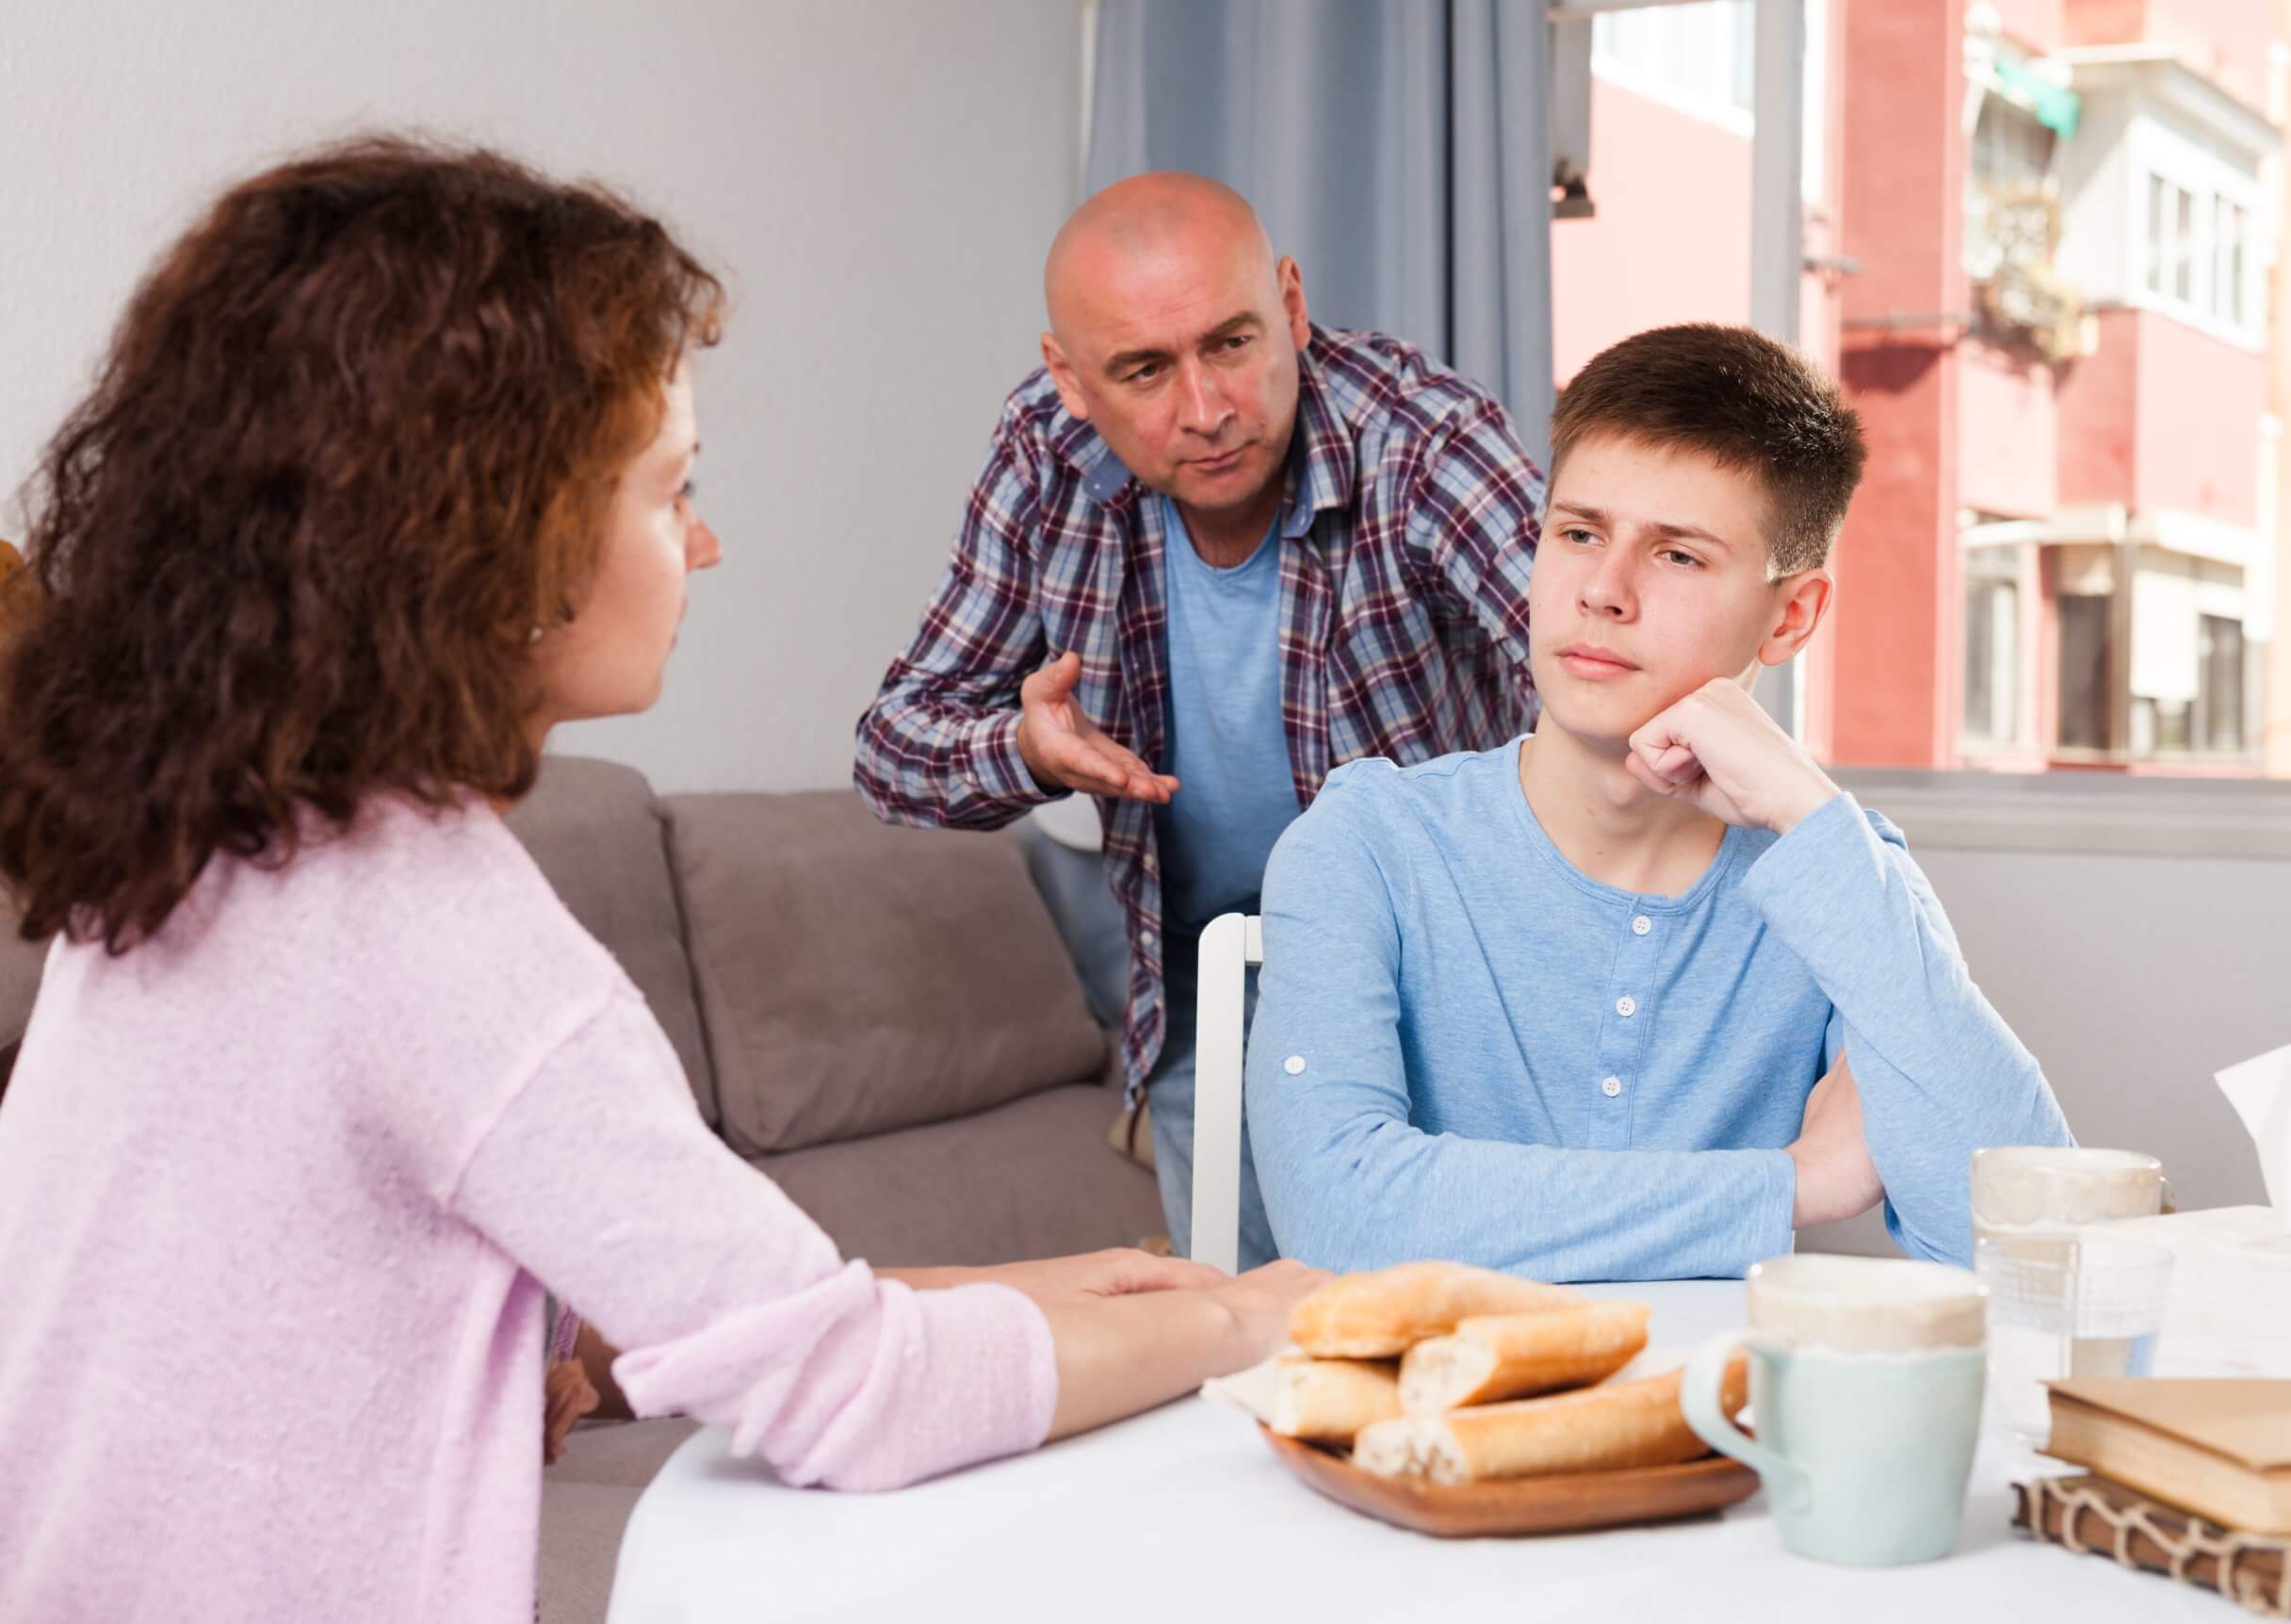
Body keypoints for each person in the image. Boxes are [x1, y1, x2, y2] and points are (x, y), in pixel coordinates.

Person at [0, 138, 1321, 1624]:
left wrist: (1087, 1292)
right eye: (665, 490)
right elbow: (851, 1392)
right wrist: (1251, 1314)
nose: (702, 541)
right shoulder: (435, 932)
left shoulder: (209, 858)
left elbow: (660, 1334)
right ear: (492, 541)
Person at [1244, 323, 2073, 1281]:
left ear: (1790, 615)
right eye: (1578, 533)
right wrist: (1791, 1184)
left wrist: (1808, 812)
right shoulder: (1366, 840)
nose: (1600, 590)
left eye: (1676, 556)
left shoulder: (1836, 871)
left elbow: (2043, 1250)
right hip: (1423, 1417)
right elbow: (1337, 1211)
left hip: (1718, 1419)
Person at [853, 172, 1545, 1267]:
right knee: (1247, 1363)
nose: (1208, 408)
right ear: (1069, 379)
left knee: (1455, 1338)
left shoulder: (1417, 436)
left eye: (1231, 342)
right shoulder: (1045, 454)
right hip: (1199, 980)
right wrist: (1025, 749)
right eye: (1143, 369)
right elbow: (893, 747)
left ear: (1291, 304)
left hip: (1440, 974)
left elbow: (1590, 671)